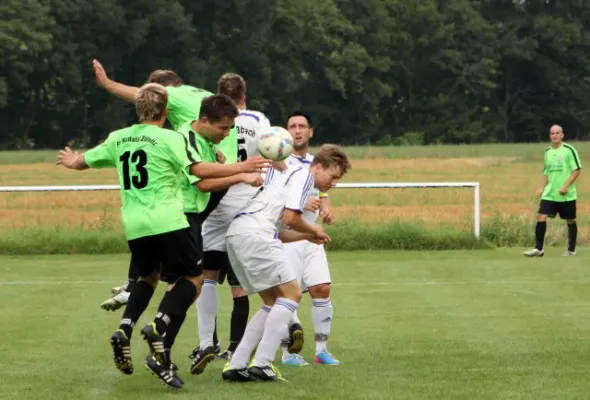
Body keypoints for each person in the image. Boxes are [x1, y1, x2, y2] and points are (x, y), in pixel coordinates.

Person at [56, 83, 205, 389]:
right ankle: (158, 326)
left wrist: (73, 161)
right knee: (192, 279)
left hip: (135, 226)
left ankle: (124, 328)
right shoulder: (170, 138)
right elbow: (199, 171)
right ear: (166, 111)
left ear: (139, 109)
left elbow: (85, 160)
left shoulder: (119, 137)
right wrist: (242, 167)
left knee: (147, 278)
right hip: (169, 222)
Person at [92, 60, 238, 309]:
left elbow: (141, 97)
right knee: (180, 245)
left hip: (212, 175)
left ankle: (136, 285)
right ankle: (154, 283)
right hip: (224, 173)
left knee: (155, 217)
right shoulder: (202, 95)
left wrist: (107, 84)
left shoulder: (174, 95)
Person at [221, 144, 352, 382]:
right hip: (256, 234)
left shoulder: (290, 176)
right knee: (292, 293)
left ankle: (237, 364)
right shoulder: (303, 175)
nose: (334, 183)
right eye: (333, 176)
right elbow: (292, 218)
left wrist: (308, 236)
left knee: (272, 301)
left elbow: (282, 232)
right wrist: (314, 227)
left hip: (238, 235)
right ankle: (262, 363)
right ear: (319, 167)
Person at [190, 73, 272, 371]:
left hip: (217, 200)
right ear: (244, 97)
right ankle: (237, 348)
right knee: (241, 285)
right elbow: (272, 148)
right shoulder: (258, 119)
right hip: (247, 203)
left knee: (207, 275)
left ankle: (205, 343)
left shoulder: (211, 121)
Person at [278, 112, 340, 367]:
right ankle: (286, 352)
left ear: (311, 132)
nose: (297, 130)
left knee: (321, 288)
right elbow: (277, 196)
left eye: (302, 126)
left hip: (312, 235)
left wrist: (324, 207)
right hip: (289, 235)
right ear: (286, 131)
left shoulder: (318, 163)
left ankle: (321, 350)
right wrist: (302, 202)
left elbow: (322, 192)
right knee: (289, 294)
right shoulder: (282, 162)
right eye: (292, 126)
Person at [524, 124, 582, 257]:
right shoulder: (548, 152)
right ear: (550, 135)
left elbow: (577, 170)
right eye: (552, 133)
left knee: (570, 220)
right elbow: (546, 172)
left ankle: (571, 250)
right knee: (540, 216)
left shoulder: (568, 150)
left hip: (566, 194)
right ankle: (538, 249)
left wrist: (566, 186)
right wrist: (541, 187)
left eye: (557, 133)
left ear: (562, 135)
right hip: (550, 193)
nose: (554, 135)